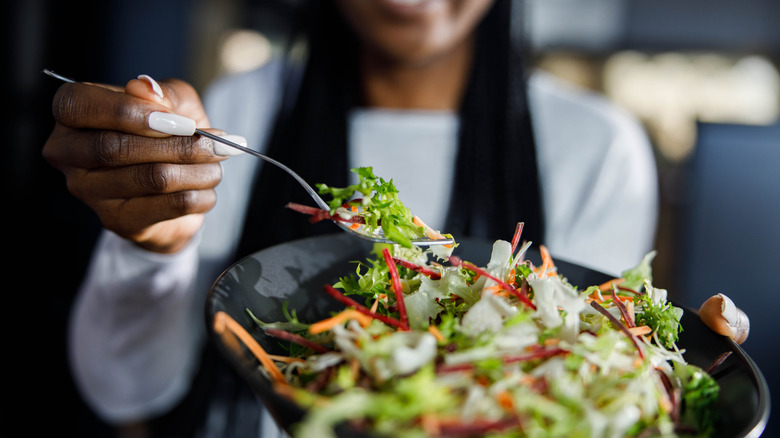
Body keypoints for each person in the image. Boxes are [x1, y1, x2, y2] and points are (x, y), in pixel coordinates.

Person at [43, 0, 658, 436]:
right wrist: (151, 249)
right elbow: (123, 391)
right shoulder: (242, 109)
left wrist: (667, 376)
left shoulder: (596, 147)